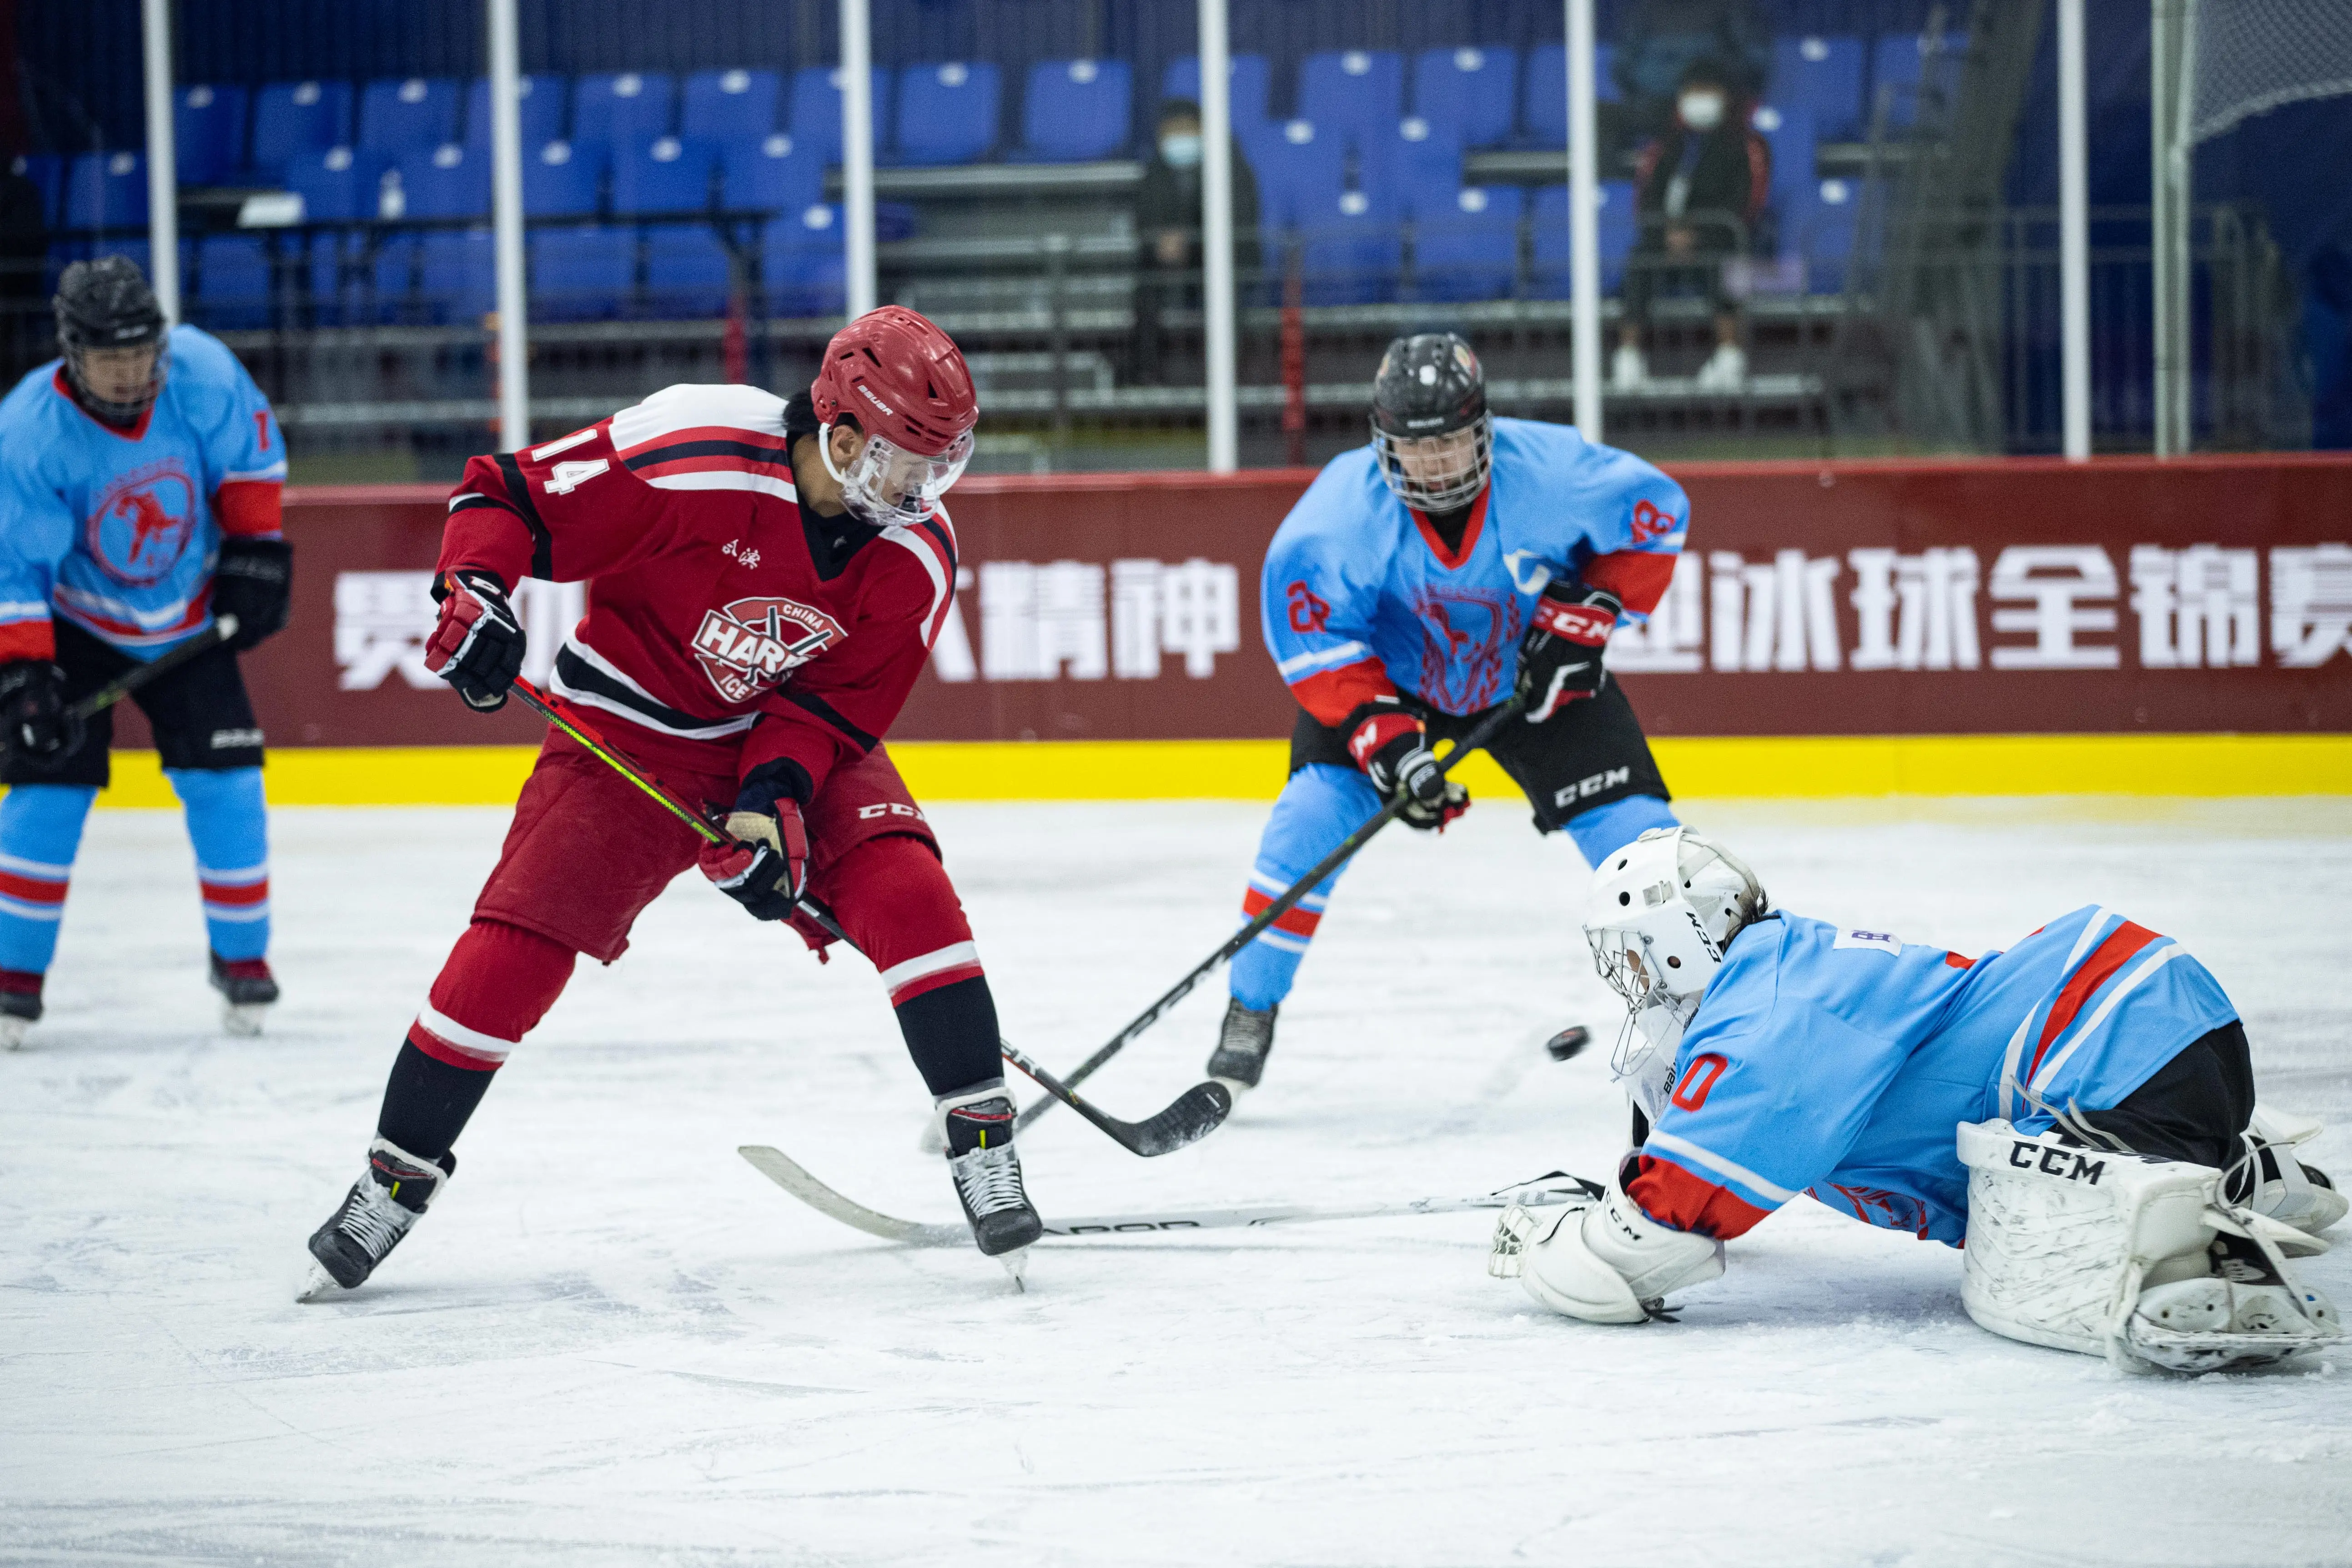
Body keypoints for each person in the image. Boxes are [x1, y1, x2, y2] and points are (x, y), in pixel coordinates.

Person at [300, 306, 1044, 1296]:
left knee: (911, 895)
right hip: (628, 731)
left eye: (939, 466)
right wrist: (475, 594)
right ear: (843, 429)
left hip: (784, 744)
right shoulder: (693, 450)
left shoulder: (915, 554)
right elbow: (510, 495)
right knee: (515, 944)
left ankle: (984, 1145)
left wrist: (772, 800)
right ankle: (394, 1178)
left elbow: (827, 710)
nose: (921, 491)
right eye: (906, 461)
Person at [1492, 826, 2347, 1373]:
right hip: (2140, 1027)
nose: (1629, 981)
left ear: (1679, 941)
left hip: (2111, 1050)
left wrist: (1557, 1241)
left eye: (1633, 956)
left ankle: (2188, 1250)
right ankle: (2230, 1163)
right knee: (1997, 1188)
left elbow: (1643, 1248)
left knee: (2023, 1270)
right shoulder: (1777, 976)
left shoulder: (1767, 1021)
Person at [1207, 332, 1689, 1094]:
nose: (1434, 465)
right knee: (1304, 823)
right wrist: (1389, 746)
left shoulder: (1554, 470)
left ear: (1484, 432)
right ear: (1381, 444)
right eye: (1414, 448)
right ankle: (1250, 1005)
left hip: (1536, 677)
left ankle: (1719, 1010)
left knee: (1648, 848)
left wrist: (1585, 617)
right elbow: (1317, 644)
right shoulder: (1334, 517)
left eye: (1453, 444)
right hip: (1395, 686)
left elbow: (1655, 517)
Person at [0, 256, 293, 1048]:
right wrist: (25, 674)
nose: (130, 375)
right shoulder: (27, 430)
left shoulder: (203, 372)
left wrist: (256, 554)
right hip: (75, 627)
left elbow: (250, 463)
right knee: (46, 794)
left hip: (190, 614)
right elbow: (13, 565)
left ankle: (243, 960)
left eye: (139, 355)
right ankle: (12, 978)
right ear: (73, 354)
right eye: (110, 359)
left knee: (228, 783)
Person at [1614, 58, 1768, 393]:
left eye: (1708, 91)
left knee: (1724, 263)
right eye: (1693, 91)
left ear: (1726, 97)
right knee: (1639, 262)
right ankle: (1628, 359)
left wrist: (1696, 233)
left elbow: (1746, 204)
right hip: (1664, 241)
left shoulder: (1747, 145)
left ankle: (1729, 358)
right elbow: (1646, 200)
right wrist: (1667, 234)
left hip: (1724, 240)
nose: (1700, 99)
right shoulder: (1667, 145)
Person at [1129, 98, 1260, 386]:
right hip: (1173, 270)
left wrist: (1195, 243)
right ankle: (1147, 376)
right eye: (1171, 132)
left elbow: (1241, 223)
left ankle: (1227, 377)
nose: (1178, 139)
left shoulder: (1231, 167)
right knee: (1146, 292)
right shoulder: (1156, 171)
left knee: (1227, 292)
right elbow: (1144, 217)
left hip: (1224, 264)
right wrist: (1159, 242)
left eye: (1185, 130)